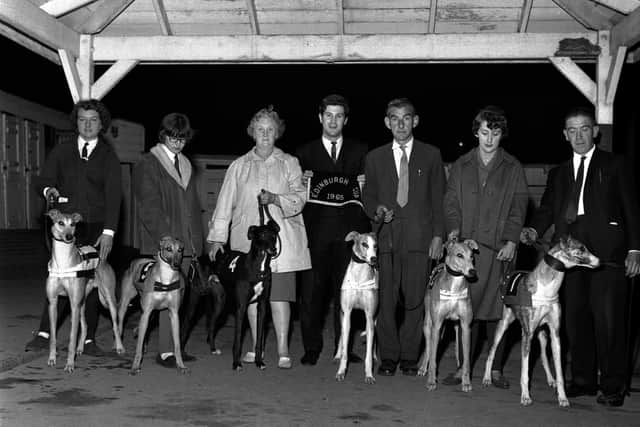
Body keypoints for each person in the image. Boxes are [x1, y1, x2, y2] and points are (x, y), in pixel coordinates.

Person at [521, 106, 640, 407]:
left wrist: (635, 249)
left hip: (607, 257)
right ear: (564, 134)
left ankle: (613, 386)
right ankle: (584, 380)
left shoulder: (615, 164)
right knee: (575, 322)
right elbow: (547, 208)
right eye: (572, 130)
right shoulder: (559, 172)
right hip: (567, 260)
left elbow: (632, 209)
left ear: (595, 131)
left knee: (610, 323)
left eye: (584, 128)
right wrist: (534, 230)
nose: (578, 135)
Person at [208, 106, 311, 369]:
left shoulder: (289, 163)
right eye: (260, 130)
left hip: (283, 243)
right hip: (247, 245)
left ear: (278, 133)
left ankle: (283, 350)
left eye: (270, 130)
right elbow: (224, 203)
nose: (265, 135)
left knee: (279, 296)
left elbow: (300, 198)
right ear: (252, 133)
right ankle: (257, 348)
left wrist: (276, 198)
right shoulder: (238, 166)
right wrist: (217, 238)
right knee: (249, 296)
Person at [25, 99, 122, 355]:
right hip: (62, 225)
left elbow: (114, 196)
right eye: (82, 119)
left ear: (101, 125)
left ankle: (88, 339)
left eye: (93, 120)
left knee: (87, 280)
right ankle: (45, 334)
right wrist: (49, 190)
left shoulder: (108, 156)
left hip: (94, 227)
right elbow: (42, 180)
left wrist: (109, 232)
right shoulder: (61, 151)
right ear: (75, 123)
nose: (87, 125)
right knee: (57, 275)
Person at [442, 106, 528, 388]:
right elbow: (451, 201)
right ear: (475, 133)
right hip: (468, 251)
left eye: (495, 133)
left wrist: (512, 240)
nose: (489, 139)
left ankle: (496, 370)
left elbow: (519, 205)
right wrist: (454, 231)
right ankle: (461, 368)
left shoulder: (512, 166)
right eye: (484, 133)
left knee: (499, 309)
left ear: (502, 135)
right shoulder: (461, 164)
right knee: (466, 310)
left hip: (498, 249)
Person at [362, 97, 445, 376]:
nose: (400, 123)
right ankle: (388, 357)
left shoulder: (431, 155)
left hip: (420, 240)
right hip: (385, 238)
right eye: (394, 118)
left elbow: (438, 200)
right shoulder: (374, 157)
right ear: (387, 122)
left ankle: (409, 356)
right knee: (386, 300)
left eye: (406, 117)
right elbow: (368, 195)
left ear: (415, 121)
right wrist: (377, 210)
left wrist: (438, 236)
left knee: (414, 300)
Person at [295, 94, 370, 366]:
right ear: (320, 117)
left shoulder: (362, 153)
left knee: (345, 292)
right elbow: (294, 195)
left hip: (349, 236)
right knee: (312, 294)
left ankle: (344, 347)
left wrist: (365, 185)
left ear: (346, 120)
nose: (333, 120)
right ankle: (311, 348)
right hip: (314, 234)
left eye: (339, 116)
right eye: (329, 115)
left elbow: (368, 195)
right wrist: (302, 183)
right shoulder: (303, 153)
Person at [132, 112, 204, 368]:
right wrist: (164, 237)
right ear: (163, 135)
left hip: (184, 242)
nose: (178, 142)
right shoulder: (148, 163)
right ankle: (165, 352)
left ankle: (175, 348)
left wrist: (197, 240)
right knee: (163, 296)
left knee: (177, 299)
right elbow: (148, 205)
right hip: (163, 243)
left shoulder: (185, 163)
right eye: (173, 136)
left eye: (182, 138)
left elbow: (193, 205)